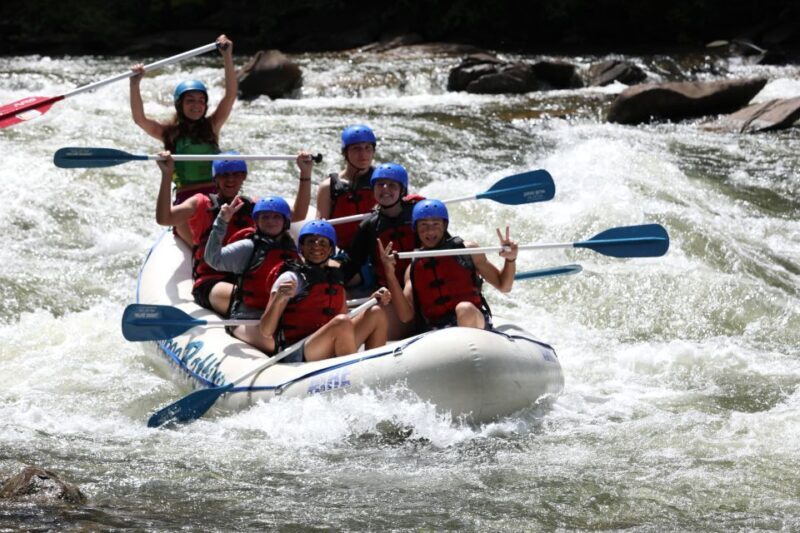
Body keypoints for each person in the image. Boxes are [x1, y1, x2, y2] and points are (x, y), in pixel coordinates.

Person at [155, 151, 313, 316]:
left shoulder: (253, 205)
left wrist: (305, 173)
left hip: (251, 276)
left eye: (236, 174)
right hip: (213, 280)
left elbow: (298, 214)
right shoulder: (201, 203)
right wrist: (167, 175)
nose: (230, 180)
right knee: (246, 299)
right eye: (224, 175)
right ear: (215, 178)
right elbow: (165, 218)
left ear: (243, 177)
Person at [130, 34, 236, 242]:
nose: (197, 105)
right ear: (180, 105)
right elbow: (140, 119)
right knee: (198, 244)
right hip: (187, 201)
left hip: (217, 197)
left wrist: (227, 56)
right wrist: (135, 84)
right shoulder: (169, 133)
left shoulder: (212, 126)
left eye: (201, 101)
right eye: (190, 101)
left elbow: (230, 96)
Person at [257, 220, 392, 362]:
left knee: (376, 312)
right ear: (301, 247)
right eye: (311, 241)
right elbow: (266, 331)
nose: (316, 246)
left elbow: (346, 317)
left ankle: (375, 366)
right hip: (297, 351)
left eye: (322, 242)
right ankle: (352, 370)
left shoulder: (335, 278)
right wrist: (278, 299)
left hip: (328, 341)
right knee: (341, 323)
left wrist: (371, 301)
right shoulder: (290, 278)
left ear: (330, 250)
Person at [378, 199, 519, 332]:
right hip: (439, 331)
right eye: (424, 225)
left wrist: (510, 260)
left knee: (464, 309)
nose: (430, 231)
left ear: (444, 226)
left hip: (473, 320)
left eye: (435, 224)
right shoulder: (413, 268)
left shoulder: (467, 250)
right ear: (416, 228)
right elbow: (405, 316)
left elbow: (504, 286)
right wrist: (390, 274)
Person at [203, 195, 304, 347]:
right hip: (247, 318)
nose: (270, 221)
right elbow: (213, 259)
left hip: (280, 316)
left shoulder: (292, 250)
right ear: (257, 221)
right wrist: (222, 221)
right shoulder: (248, 247)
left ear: (286, 221)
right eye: (265, 217)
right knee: (274, 343)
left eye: (276, 217)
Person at [315, 125, 378, 252]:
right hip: (343, 253)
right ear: (345, 153)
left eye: (368, 148)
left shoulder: (383, 182)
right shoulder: (328, 187)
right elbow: (320, 228)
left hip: (378, 249)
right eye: (356, 148)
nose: (363, 154)